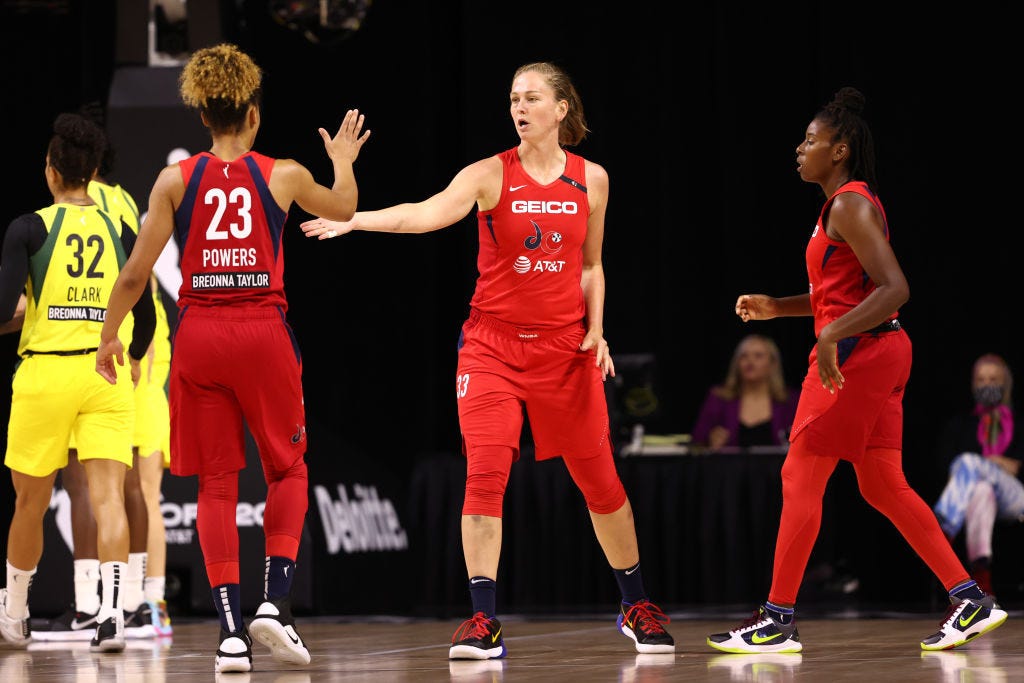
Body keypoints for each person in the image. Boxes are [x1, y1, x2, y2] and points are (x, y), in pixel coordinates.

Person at [301, 60, 675, 660]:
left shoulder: (593, 180)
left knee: (601, 480)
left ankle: (636, 604)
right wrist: (355, 222)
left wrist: (598, 330)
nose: (519, 108)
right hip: (492, 348)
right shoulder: (488, 175)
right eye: (512, 99)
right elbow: (423, 213)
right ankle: (483, 620)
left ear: (560, 108)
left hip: (565, 351)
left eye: (531, 99)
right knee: (485, 476)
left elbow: (591, 266)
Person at [94, 43, 369, 674]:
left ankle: (229, 635)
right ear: (252, 115)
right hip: (260, 331)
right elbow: (346, 209)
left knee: (215, 485)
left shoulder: (174, 180)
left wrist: (111, 334)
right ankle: (273, 604)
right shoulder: (284, 174)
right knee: (289, 469)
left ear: (203, 117)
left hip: (199, 334)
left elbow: (136, 275)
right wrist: (344, 161)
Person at [705, 87, 1007, 654]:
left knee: (800, 475)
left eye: (810, 141)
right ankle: (969, 598)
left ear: (840, 150)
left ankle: (776, 618)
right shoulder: (839, 207)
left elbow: (897, 288)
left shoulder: (849, 203)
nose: (799, 149)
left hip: (861, 356)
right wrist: (780, 306)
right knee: (882, 484)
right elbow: (840, 295)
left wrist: (829, 335)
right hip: (878, 350)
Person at [0, 112, 156, 652]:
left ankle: (15, 613)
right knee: (110, 496)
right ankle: (112, 616)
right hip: (105, 372)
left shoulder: (28, 227)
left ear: (51, 172)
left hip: (47, 371)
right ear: (91, 173)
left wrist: (27, 313)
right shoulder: (120, 229)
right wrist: (132, 355)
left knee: (31, 502)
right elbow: (150, 312)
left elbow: (3, 311)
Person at [933, 353, 1024, 600]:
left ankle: (941, 534)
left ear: (1005, 383)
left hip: (1016, 498)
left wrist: (999, 464)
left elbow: (1018, 468)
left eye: (993, 379)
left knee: (968, 462)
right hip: (978, 497)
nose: (987, 385)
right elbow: (945, 467)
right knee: (981, 489)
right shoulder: (961, 424)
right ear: (974, 384)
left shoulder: (1019, 422)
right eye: (981, 380)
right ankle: (982, 582)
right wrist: (989, 467)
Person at [691, 333, 799, 450]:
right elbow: (696, 444)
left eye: (758, 356)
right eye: (744, 356)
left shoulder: (791, 401)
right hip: (728, 467)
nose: (750, 361)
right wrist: (709, 442)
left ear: (772, 364)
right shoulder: (718, 399)